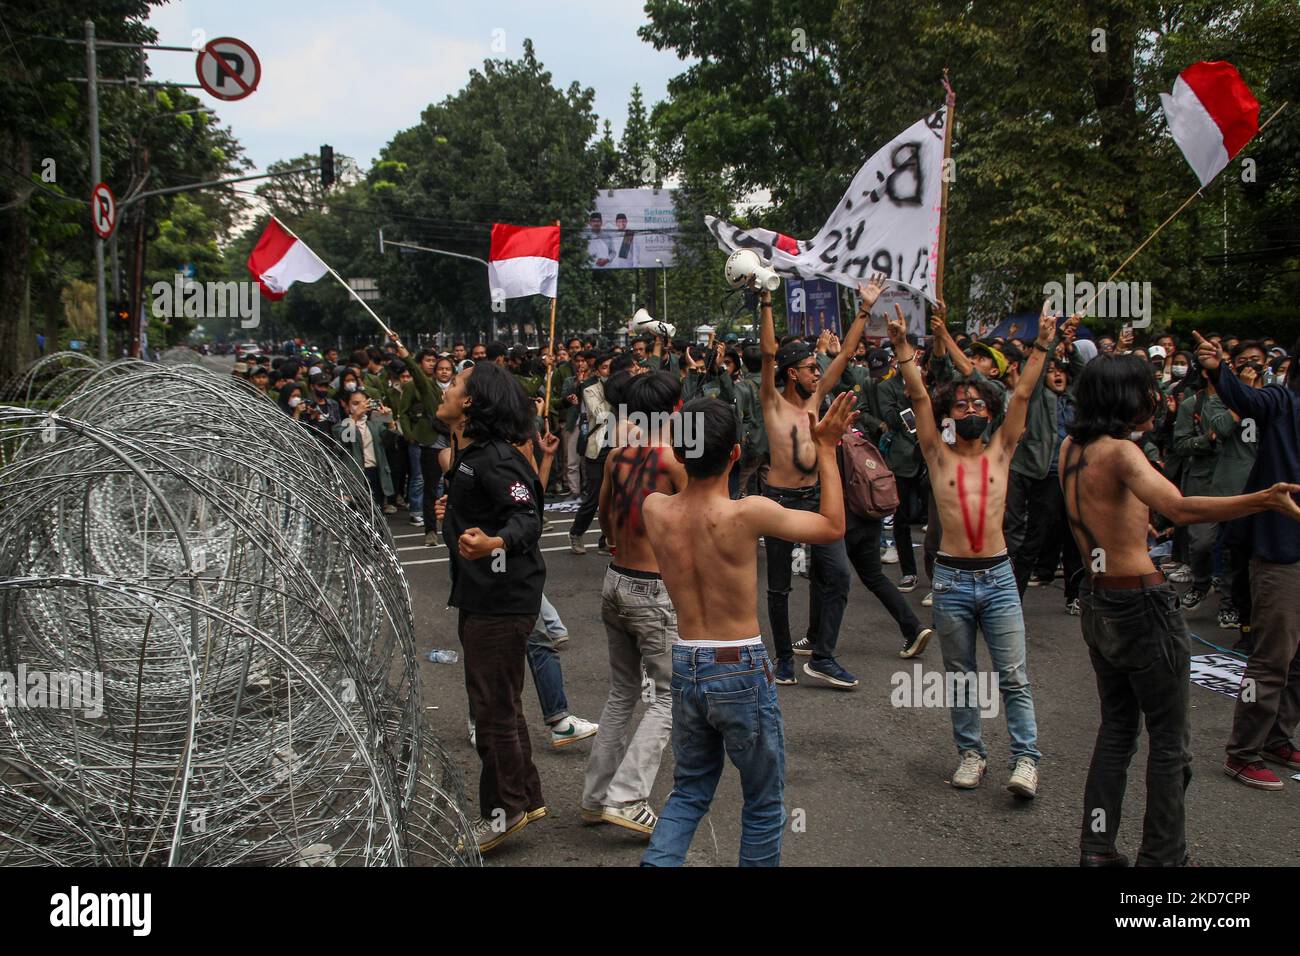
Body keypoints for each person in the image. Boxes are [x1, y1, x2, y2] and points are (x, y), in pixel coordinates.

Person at [1059, 350, 1300, 866]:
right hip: (1141, 606)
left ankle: (1097, 850)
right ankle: (1162, 859)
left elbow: (1108, 510)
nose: (1157, 398)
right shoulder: (1122, 453)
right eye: (1147, 390)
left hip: (1099, 601)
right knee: (1170, 743)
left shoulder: (1070, 447)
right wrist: (1266, 499)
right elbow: (1181, 508)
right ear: (1126, 397)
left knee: (1117, 731)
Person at [640, 392, 858, 866]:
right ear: (737, 452)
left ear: (679, 453)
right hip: (738, 664)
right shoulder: (748, 513)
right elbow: (832, 525)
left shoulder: (655, 509)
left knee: (689, 792)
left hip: (686, 661)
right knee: (762, 802)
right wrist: (825, 448)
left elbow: (672, 462)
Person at [887, 301, 1054, 799]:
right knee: (960, 677)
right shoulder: (935, 453)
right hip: (953, 580)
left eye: (979, 404)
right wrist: (900, 347)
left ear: (991, 412)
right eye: (961, 405)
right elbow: (917, 394)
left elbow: (1023, 391)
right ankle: (971, 753)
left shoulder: (1004, 447)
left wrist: (1043, 342)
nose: (971, 409)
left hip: (999, 578)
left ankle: (1025, 760)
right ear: (949, 415)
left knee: (1014, 676)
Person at [436, 360, 548, 854]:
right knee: (502, 702)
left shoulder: (496, 458)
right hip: (482, 595)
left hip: (501, 601)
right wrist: (454, 514)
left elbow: (526, 518)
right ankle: (525, 796)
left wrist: (495, 541)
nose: (445, 387)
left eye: (455, 384)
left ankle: (501, 813)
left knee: (492, 709)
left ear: (471, 403)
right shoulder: (470, 455)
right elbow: (476, 505)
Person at [758, 274, 886, 688]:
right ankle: (783, 659)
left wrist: (865, 308)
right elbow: (766, 353)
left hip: (815, 500)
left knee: (838, 576)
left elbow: (846, 353)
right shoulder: (772, 403)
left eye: (818, 367)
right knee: (778, 589)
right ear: (792, 373)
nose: (819, 373)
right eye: (812, 367)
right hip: (777, 502)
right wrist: (765, 302)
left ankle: (823, 655)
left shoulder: (817, 399)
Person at [582, 372, 688, 837]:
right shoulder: (671, 459)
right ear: (677, 408)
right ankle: (627, 798)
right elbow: (696, 520)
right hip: (652, 588)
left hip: (616, 579)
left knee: (623, 693)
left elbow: (605, 516)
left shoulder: (616, 457)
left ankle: (594, 797)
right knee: (668, 697)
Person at [1196, 333, 1300, 792]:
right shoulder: (1284, 403)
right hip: (1280, 553)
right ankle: (1242, 753)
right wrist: (1220, 369)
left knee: (1299, 660)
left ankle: (1278, 738)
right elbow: (1246, 397)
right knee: (1271, 658)